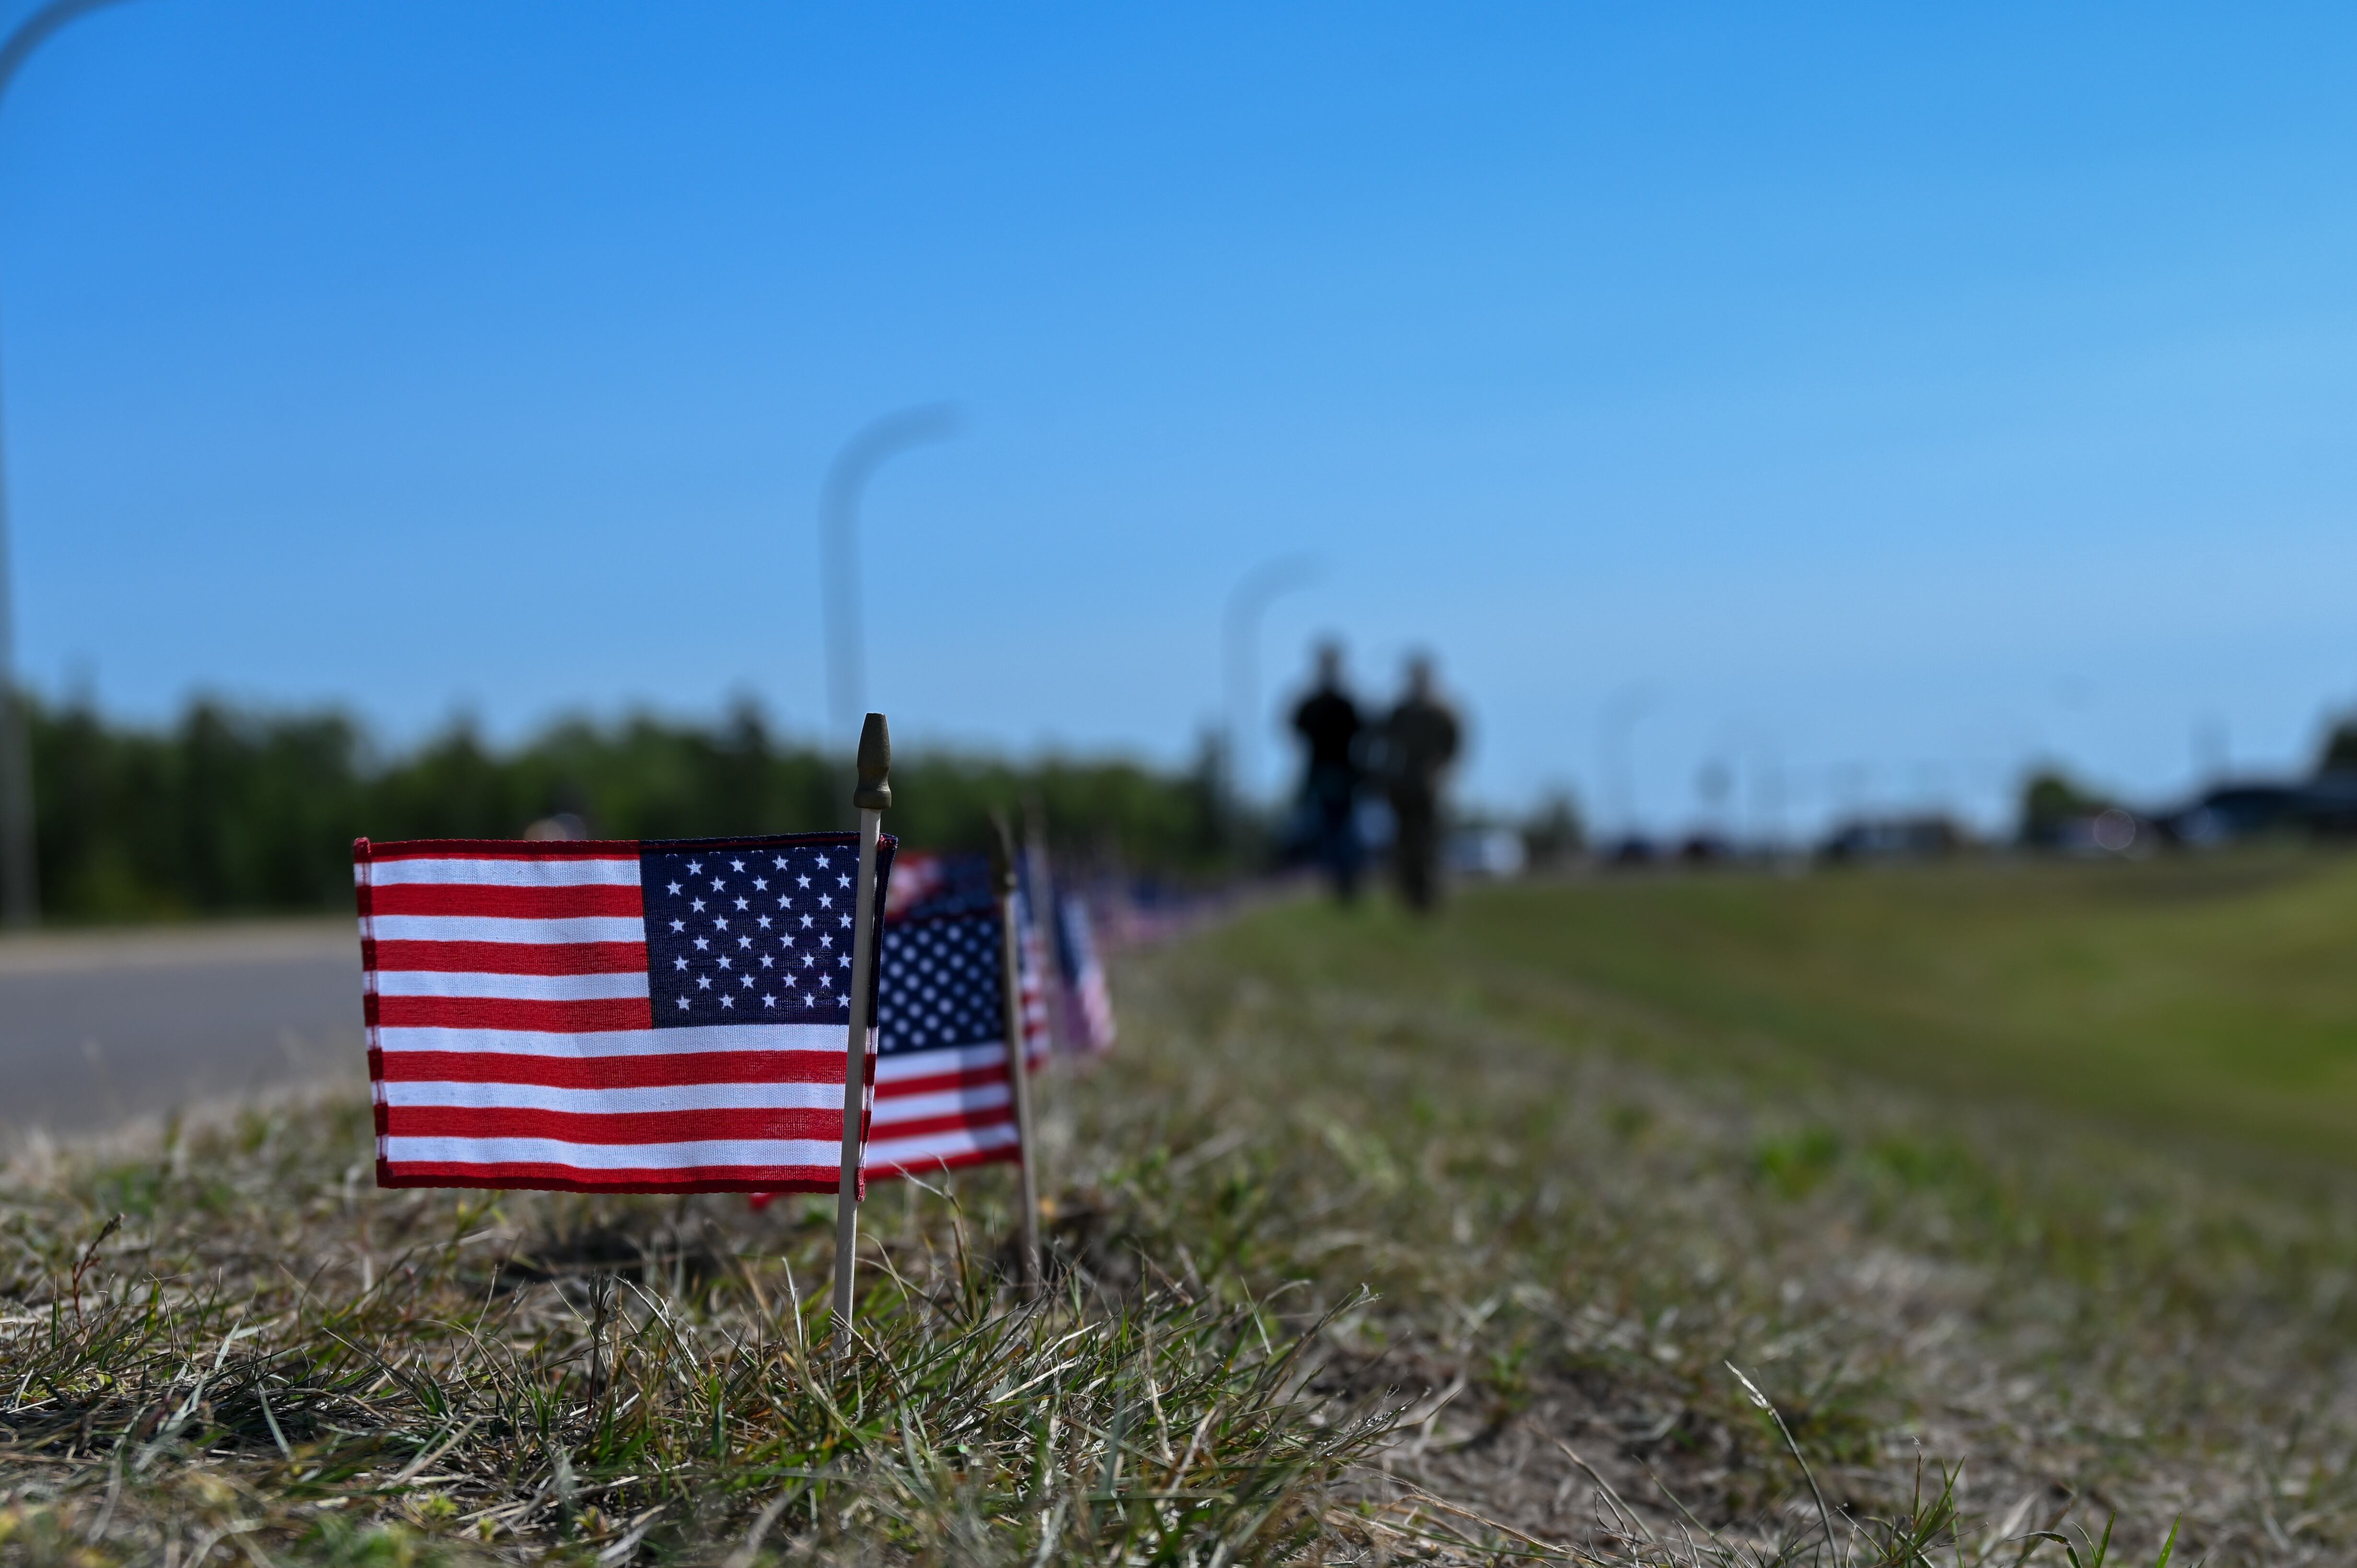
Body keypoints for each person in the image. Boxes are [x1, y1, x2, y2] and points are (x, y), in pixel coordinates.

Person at [1378, 652, 1461, 912]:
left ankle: (1426, 894)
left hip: (1428, 787)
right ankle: (1409, 892)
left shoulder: (1441, 711)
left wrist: (1439, 770)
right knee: (1406, 840)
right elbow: (1386, 742)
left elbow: (1453, 746)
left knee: (1428, 841)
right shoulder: (1402, 711)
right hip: (1404, 786)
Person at [1290, 641, 1365, 901]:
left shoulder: (1344, 701)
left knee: (1342, 828)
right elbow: (1295, 726)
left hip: (1342, 772)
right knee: (1329, 827)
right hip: (1325, 771)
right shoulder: (1318, 701)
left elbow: (1363, 730)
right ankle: (1338, 881)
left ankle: (1346, 881)